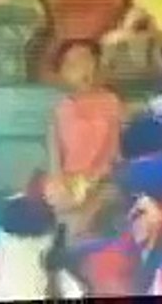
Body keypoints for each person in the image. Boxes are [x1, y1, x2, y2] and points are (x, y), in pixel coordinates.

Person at [46, 39, 124, 239]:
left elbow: (115, 154)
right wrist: (64, 187)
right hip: (69, 188)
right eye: (73, 64)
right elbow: (55, 160)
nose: (83, 69)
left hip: (103, 185)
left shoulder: (111, 103)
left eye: (87, 60)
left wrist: (94, 184)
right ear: (62, 72)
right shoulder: (59, 109)